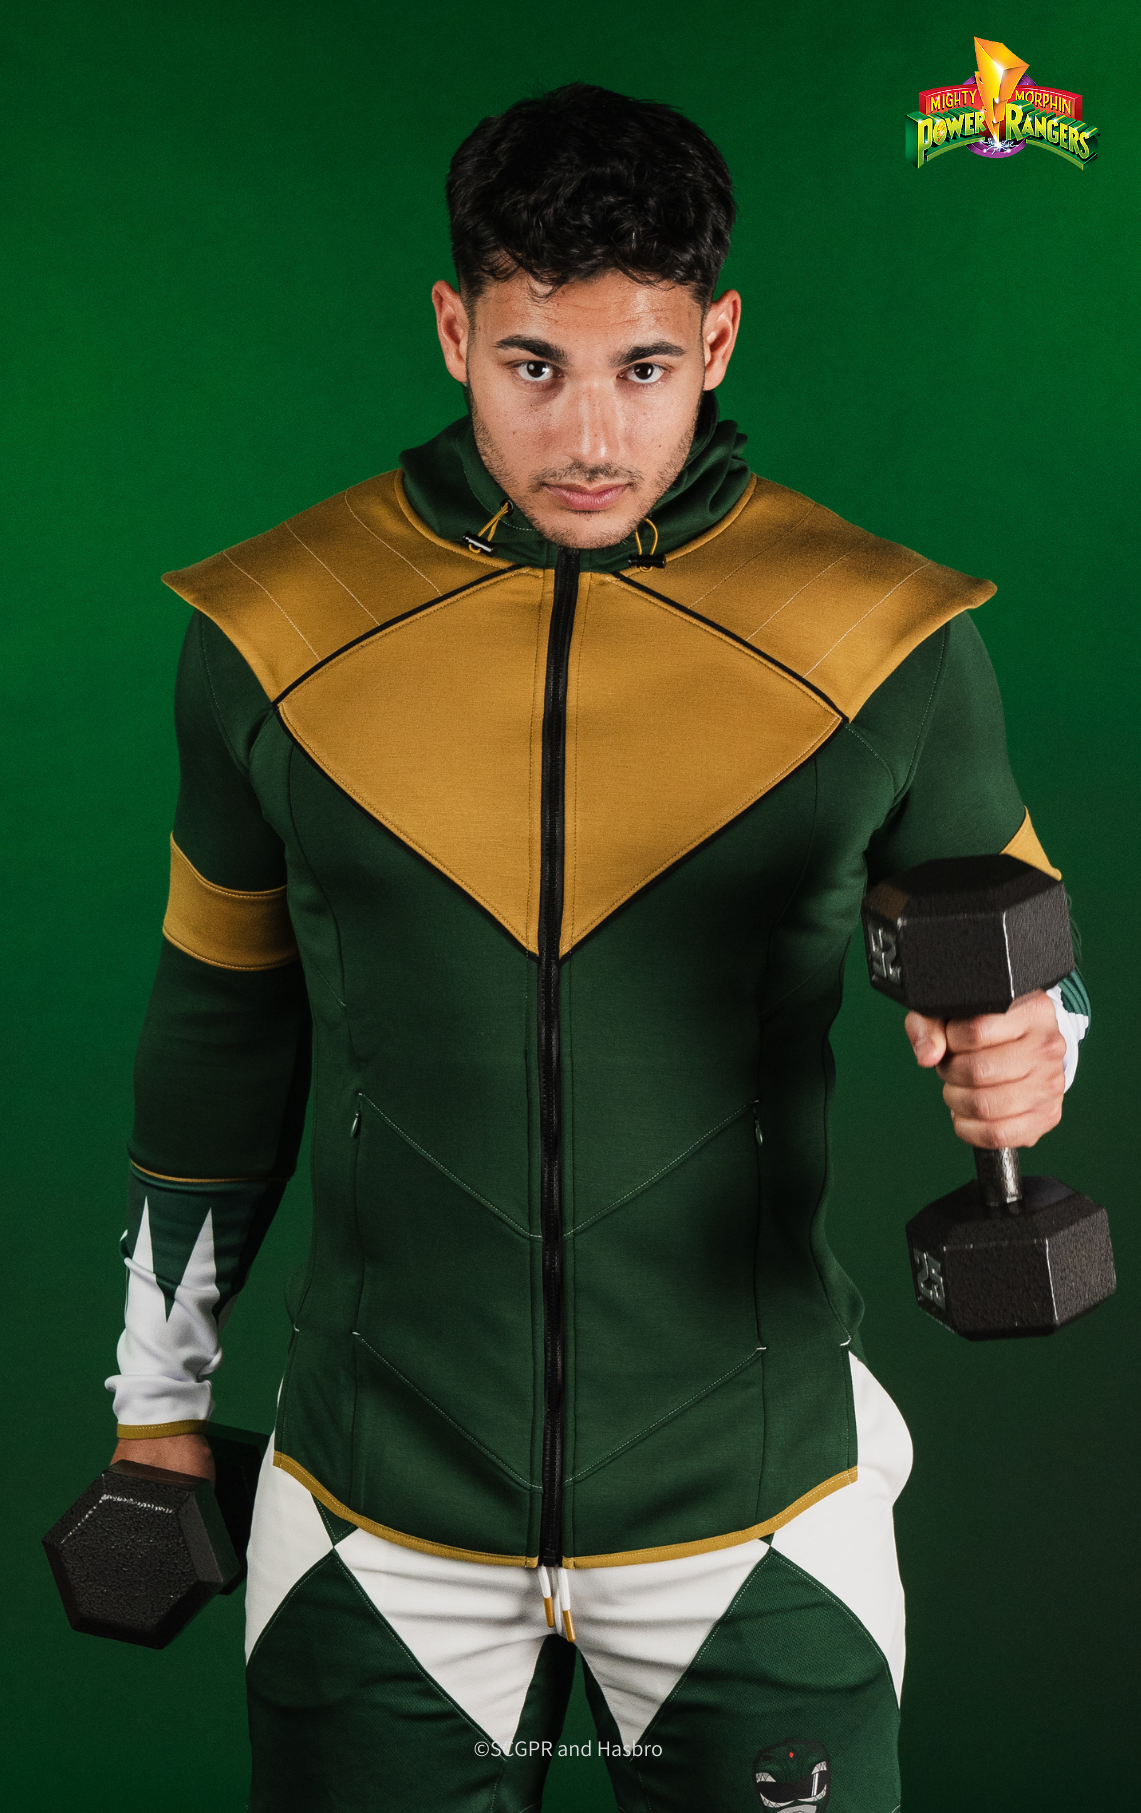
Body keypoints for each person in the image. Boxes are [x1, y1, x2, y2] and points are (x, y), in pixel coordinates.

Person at [105, 84, 1089, 1812]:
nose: (586, 435)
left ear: (716, 340)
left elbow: (1038, 971)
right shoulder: (273, 629)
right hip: (372, 1517)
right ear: (453, 334)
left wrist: (1040, 1051)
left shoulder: (885, 635)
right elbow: (217, 1030)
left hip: (759, 1509)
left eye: (641, 368)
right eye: (531, 365)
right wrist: (154, 1404)